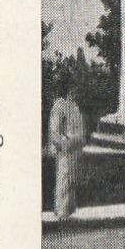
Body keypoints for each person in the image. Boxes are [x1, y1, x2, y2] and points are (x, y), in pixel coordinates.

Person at [47, 75, 87, 219]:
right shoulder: (60, 105)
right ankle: (62, 211)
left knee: (72, 179)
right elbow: (55, 129)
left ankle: (68, 210)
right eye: (73, 88)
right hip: (66, 148)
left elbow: (79, 127)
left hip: (75, 147)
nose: (76, 91)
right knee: (64, 178)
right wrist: (62, 142)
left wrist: (78, 139)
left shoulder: (74, 105)